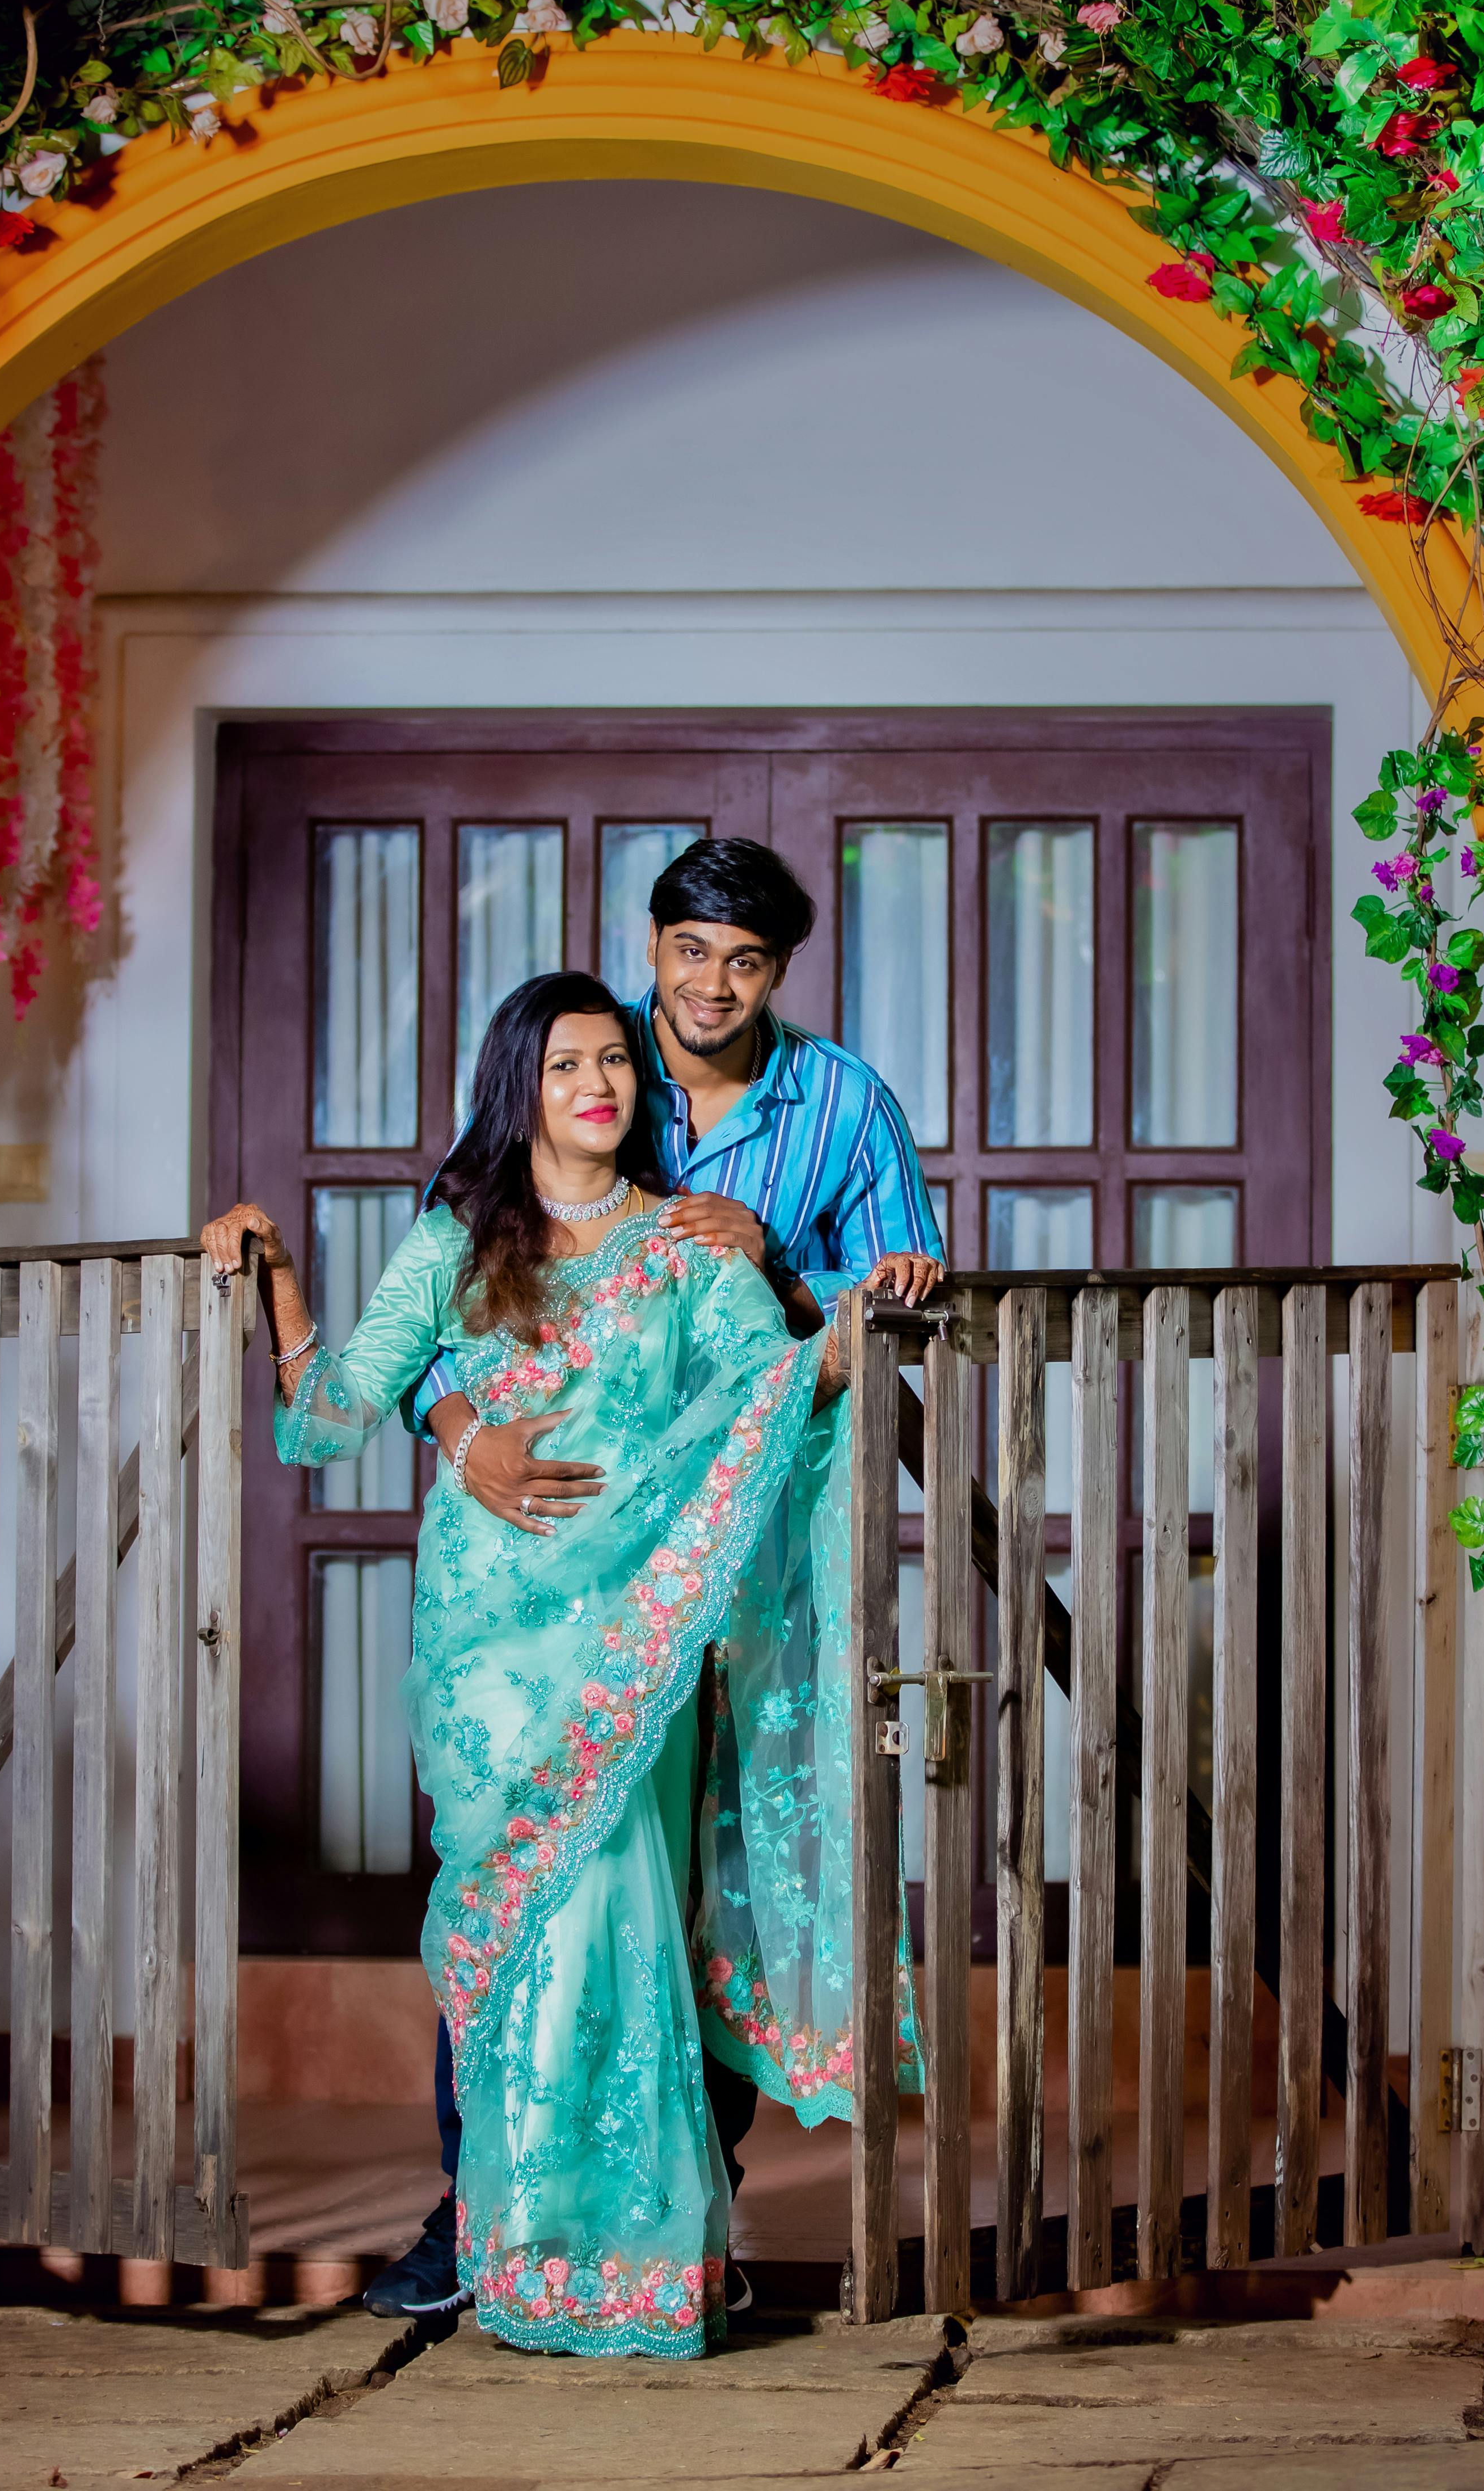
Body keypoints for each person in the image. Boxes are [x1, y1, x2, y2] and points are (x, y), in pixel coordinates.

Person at [200, 971, 875, 2357]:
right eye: (568, 1061)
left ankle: (630, 2256)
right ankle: (505, 2240)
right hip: (485, 1649)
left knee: (623, 1922)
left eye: (617, 1060)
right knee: (511, 1929)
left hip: (631, 1636)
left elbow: (772, 1393)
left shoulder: (692, 1245)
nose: (600, 1082)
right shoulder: (457, 1241)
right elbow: (326, 1417)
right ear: (519, 1084)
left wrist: (859, 1322)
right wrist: (282, 1282)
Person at [370, 838, 946, 2320]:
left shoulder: (842, 1110)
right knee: (522, 1863)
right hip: (540, 1566)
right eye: (689, 950)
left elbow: (899, 1314)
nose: (708, 984)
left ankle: (680, 2224)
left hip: (735, 1562)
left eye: (743, 960)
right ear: (655, 942)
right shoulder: (573, 1052)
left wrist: (777, 1266)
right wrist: (462, 1436)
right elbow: (443, 1294)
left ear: (780, 970)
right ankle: (474, 2208)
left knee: (688, 1890)